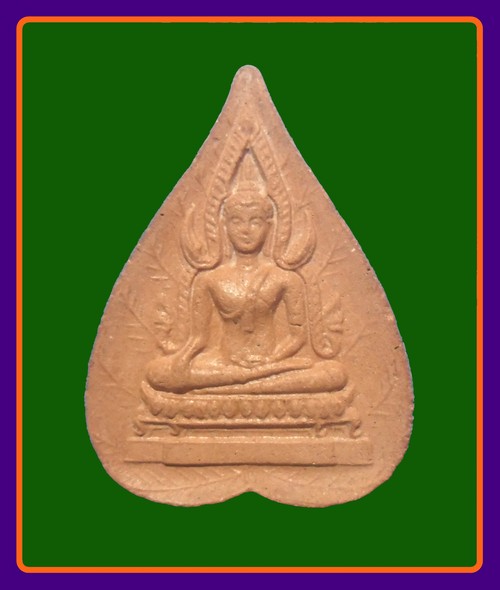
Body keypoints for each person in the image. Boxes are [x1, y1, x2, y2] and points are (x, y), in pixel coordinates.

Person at [146, 160, 346, 396]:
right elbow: (199, 338)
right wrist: (183, 359)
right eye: (237, 221)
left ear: (269, 226)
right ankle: (247, 383)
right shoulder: (208, 279)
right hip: (222, 363)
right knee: (156, 372)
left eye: (255, 221)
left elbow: (297, 336)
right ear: (224, 225)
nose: (245, 230)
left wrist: (270, 361)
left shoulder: (285, 279)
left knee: (334, 374)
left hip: (272, 363)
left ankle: (239, 384)